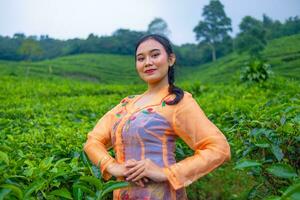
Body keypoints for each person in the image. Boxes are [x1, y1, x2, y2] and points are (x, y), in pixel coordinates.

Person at [83, 34, 231, 200]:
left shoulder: (177, 102)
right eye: (141, 58)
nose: (148, 62)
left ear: (170, 59)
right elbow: (92, 141)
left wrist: (166, 173)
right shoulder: (126, 104)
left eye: (155, 55)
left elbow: (219, 148)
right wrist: (112, 166)